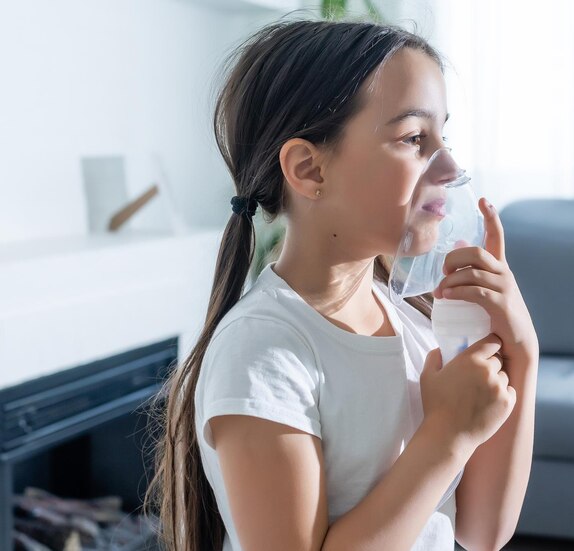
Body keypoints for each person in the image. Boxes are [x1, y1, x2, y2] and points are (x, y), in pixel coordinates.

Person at [144, 17, 539, 551]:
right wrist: (447, 435)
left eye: (443, 137)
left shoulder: (411, 320)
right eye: (414, 138)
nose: (449, 167)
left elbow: (483, 531)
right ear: (310, 169)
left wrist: (521, 349)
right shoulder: (263, 353)